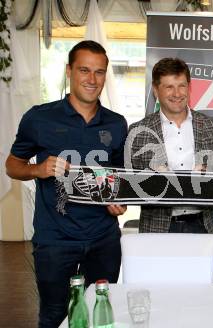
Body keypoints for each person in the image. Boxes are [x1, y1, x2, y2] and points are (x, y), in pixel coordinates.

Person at [5, 40, 127, 328]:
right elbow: (12, 165)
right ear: (69, 71)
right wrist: (38, 169)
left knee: (100, 311)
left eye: (99, 72)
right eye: (84, 70)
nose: (92, 79)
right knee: (54, 313)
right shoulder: (39, 117)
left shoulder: (116, 123)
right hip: (54, 239)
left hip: (103, 238)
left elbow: (119, 176)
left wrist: (118, 201)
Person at [127, 58, 213, 234]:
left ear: (189, 87)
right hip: (157, 228)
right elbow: (131, 183)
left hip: (201, 225)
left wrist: (210, 174)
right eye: (169, 87)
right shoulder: (138, 131)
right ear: (156, 90)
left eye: (182, 86)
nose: (177, 93)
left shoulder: (210, 126)